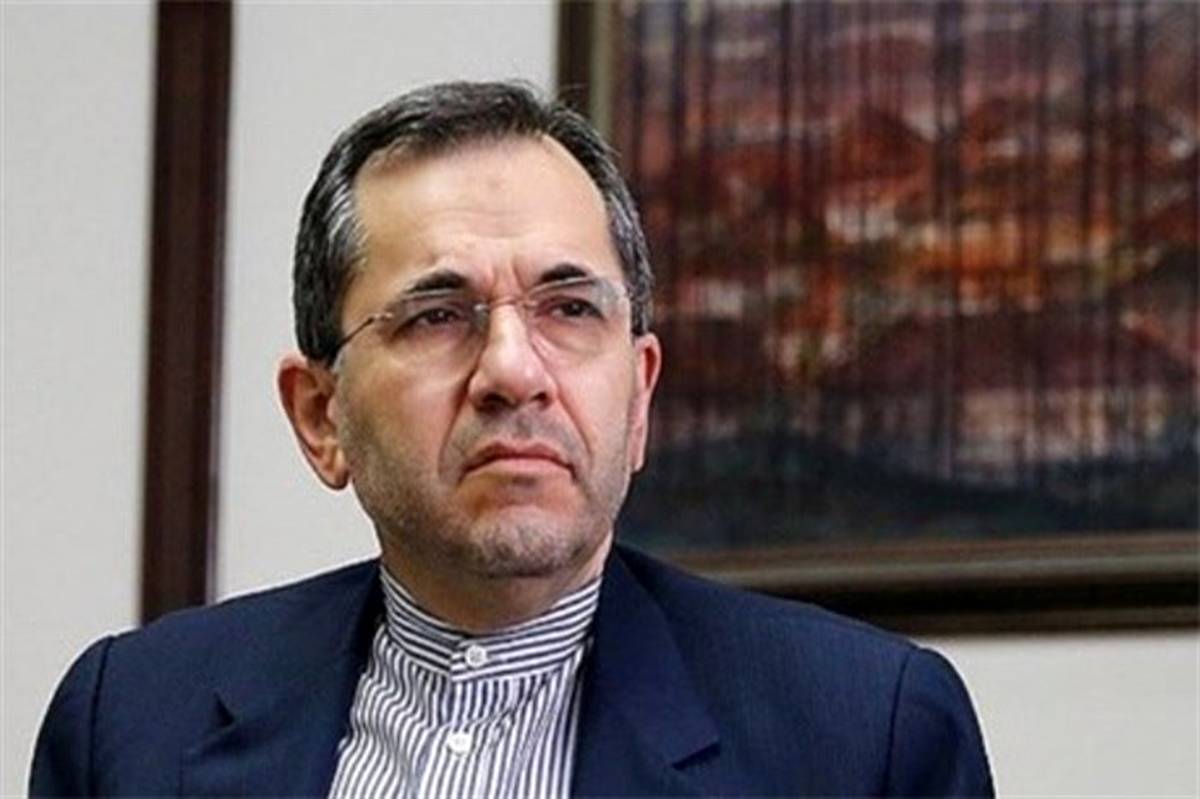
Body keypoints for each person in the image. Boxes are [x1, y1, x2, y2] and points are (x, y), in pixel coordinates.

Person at [30, 81, 993, 797]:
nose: (513, 370)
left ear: (639, 396)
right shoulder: (131, 727)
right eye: (437, 315)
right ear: (322, 417)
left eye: (568, 308)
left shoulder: (866, 739)